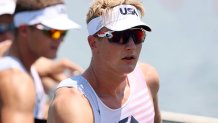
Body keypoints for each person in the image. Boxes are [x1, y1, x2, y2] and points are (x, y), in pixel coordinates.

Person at [48, 0, 161, 122]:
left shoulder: (148, 78)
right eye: (120, 36)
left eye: (137, 35)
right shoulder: (72, 103)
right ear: (93, 43)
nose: (132, 46)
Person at [0, 0, 81, 123]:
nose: (59, 39)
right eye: (52, 31)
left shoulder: (26, 70)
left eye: (63, 32)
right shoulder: (17, 81)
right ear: (24, 30)